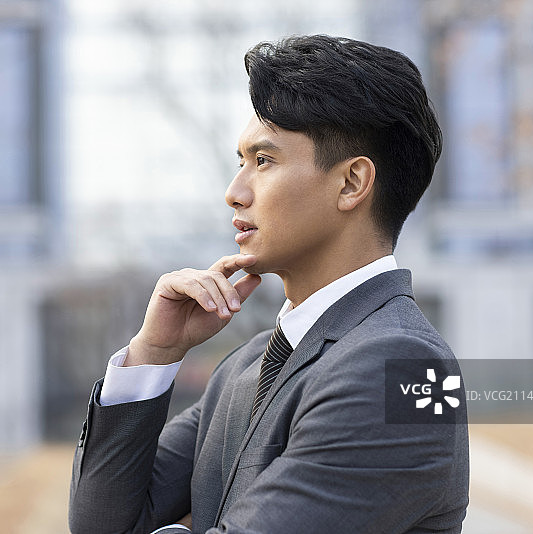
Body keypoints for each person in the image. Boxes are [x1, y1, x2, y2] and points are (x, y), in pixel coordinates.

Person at [69, 35, 469, 534]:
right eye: (240, 162)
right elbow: (101, 524)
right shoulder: (245, 365)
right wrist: (154, 352)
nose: (234, 193)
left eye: (263, 161)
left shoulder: (402, 369)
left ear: (351, 183)